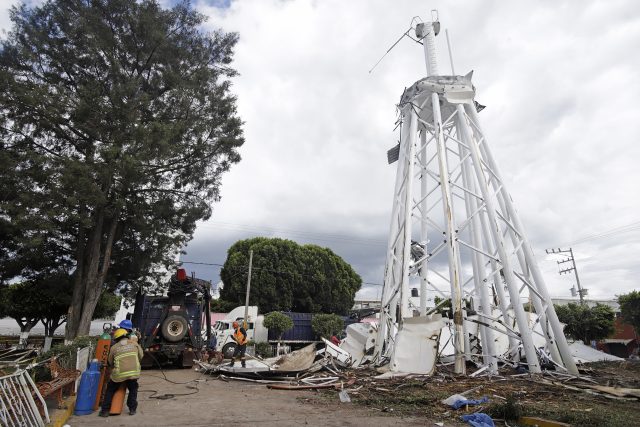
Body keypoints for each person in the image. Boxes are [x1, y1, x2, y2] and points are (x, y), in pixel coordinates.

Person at [99, 328, 144, 417]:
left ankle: (105, 411)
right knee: (133, 389)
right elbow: (141, 356)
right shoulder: (134, 344)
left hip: (119, 374)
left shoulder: (114, 347)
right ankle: (132, 409)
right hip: (133, 373)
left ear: (116, 339)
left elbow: (110, 362)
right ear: (126, 336)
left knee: (110, 390)